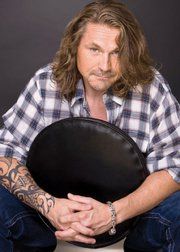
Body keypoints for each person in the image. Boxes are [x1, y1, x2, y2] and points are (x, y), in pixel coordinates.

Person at [0, 0, 179, 251]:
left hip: (136, 222)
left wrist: (113, 213)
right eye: (94, 49)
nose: (105, 66)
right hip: (44, 220)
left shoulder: (151, 88)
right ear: (75, 48)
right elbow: (5, 152)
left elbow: (175, 165)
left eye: (116, 52)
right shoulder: (45, 84)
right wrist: (49, 206)